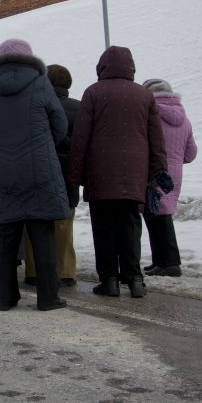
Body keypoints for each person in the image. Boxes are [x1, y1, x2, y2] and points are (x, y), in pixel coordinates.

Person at [67, 46, 169, 298]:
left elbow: (81, 137)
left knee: (103, 226)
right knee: (130, 225)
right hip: (134, 172)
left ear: (102, 66)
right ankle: (135, 279)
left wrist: (75, 174)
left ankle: (110, 280)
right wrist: (158, 170)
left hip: (100, 171)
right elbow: (156, 138)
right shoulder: (144, 95)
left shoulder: (93, 92)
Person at [0, 39, 70, 311]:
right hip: (39, 170)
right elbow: (60, 126)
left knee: (4, 237)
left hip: (1, 172)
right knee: (43, 236)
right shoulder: (41, 83)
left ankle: (5, 298)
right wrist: (42, 145)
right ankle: (48, 297)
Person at [23, 64, 80, 287]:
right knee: (64, 223)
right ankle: (65, 271)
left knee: (34, 222)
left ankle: (34, 270)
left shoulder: (32, 105)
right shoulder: (78, 107)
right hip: (67, 173)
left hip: (37, 171)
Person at [141, 78, 198, 277]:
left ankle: (170, 263)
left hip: (154, 171)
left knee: (157, 216)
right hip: (174, 173)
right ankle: (160, 261)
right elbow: (191, 154)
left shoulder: (149, 115)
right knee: (160, 215)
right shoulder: (185, 119)